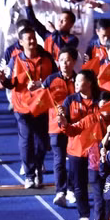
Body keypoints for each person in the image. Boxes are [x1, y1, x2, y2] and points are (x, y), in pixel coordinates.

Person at [0, 26, 57, 189]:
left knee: (42, 142)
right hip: (22, 106)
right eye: (28, 39)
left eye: (34, 38)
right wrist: (3, 80)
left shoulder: (46, 58)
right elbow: (10, 83)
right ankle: (30, 175)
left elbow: (56, 78)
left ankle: (38, 166)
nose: (32, 41)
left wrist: (42, 84)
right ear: (21, 42)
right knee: (26, 139)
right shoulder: (15, 61)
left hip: (42, 106)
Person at [57, 69, 103, 220]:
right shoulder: (69, 101)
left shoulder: (100, 100)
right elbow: (66, 128)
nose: (76, 84)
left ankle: (101, 217)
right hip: (76, 150)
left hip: (96, 150)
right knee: (79, 185)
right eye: (75, 81)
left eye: (79, 81)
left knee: (97, 184)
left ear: (89, 83)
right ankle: (84, 215)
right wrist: (62, 121)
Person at [29, 0, 109, 58]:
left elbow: (106, 8)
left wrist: (98, 5)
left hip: (80, 44)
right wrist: (36, 0)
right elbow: (39, 6)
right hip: (60, 42)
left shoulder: (87, 0)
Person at [42, 46, 77, 206]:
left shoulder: (79, 80)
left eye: (67, 60)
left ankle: (71, 189)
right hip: (55, 126)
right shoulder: (50, 80)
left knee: (73, 161)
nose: (64, 63)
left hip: (74, 127)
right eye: (61, 60)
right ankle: (60, 191)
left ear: (74, 62)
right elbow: (39, 96)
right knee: (59, 160)